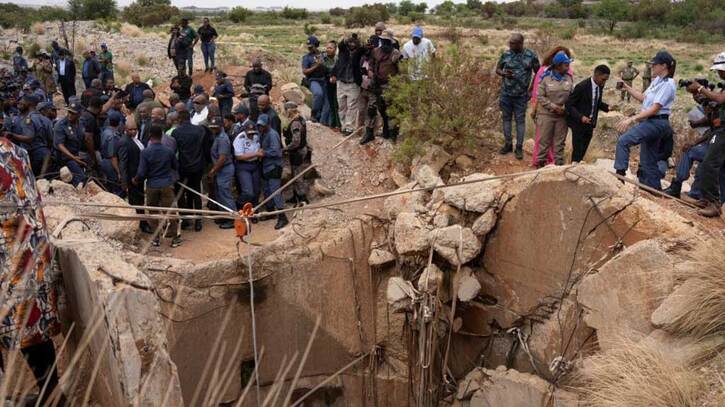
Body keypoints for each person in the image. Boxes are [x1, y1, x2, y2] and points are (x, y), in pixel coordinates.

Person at [0, 135, 66, 407]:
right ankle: (51, 395)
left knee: (29, 328)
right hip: (29, 255)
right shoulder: (14, 149)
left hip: (12, 260)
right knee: (33, 327)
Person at [614, 50, 676, 191]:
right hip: (651, 122)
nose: (652, 66)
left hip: (656, 122)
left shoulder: (668, 83)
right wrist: (627, 87)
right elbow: (643, 98)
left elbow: (655, 108)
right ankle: (654, 190)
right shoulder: (657, 81)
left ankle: (620, 177)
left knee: (624, 141)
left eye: (655, 64)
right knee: (648, 161)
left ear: (664, 66)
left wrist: (632, 119)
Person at [683, 52, 725, 217]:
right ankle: (707, 199)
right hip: (719, 129)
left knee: (710, 163)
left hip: (723, 131)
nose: (719, 73)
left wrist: (700, 88)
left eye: (720, 70)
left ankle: (713, 203)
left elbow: (720, 100)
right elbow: (716, 109)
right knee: (713, 165)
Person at [133, 125, 181, 247]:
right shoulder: (168, 151)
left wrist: (136, 179)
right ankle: (175, 237)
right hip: (167, 184)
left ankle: (156, 238)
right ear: (162, 135)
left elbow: (142, 172)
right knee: (170, 211)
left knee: (153, 212)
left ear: (150, 135)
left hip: (152, 185)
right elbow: (176, 166)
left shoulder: (145, 152)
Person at [496, 33, 540, 160]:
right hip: (506, 93)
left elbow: (539, 73)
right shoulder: (506, 54)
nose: (510, 45)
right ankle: (508, 144)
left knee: (520, 121)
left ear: (520, 43)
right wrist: (504, 73)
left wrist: (532, 89)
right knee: (506, 119)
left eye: (513, 43)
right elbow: (498, 69)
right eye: (510, 43)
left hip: (521, 95)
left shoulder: (531, 55)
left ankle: (519, 147)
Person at [530, 46, 573, 167]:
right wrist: (554, 107)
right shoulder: (545, 77)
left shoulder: (569, 78)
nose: (568, 67)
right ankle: (540, 165)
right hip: (546, 115)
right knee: (544, 142)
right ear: (558, 66)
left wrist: (565, 107)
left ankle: (558, 166)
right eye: (566, 65)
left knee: (559, 144)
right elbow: (540, 96)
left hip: (562, 116)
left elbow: (571, 94)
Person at [361, 31, 402, 145]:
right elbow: (371, 64)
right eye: (383, 41)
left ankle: (393, 134)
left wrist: (397, 85)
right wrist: (370, 72)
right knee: (371, 108)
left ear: (391, 42)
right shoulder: (375, 51)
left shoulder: (396, 54)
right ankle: (369, 133)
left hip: (390, 85)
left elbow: (401, 71)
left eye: (387, 41)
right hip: (376, 84)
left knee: (391, 111)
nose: (384, 43)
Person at [565, 65, 611, 163]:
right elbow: (569, 105)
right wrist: (581, 117)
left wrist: (607, 107)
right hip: (578, 124)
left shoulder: (600, 86)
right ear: (597, 75)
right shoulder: (581, 87)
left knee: (583, 150)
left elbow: (596, 102)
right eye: (603, 79)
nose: (604, 82)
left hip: (590, 124)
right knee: (577, 151)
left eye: (606, 80)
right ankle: (573, 170)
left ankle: (579, 168)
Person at [172, 109, 206, 231]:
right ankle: (198, 221)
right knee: (196, 192)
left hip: (183, 166)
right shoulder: (200, 130)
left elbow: (175, 151)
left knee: (181, 193)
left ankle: (185, 220)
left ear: (180, 119)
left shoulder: (176, 132)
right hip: (197, 166)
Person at [117, 117, 151, 233]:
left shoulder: (135, 140)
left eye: (135, 129)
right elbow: (123, 163)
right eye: (130, 129)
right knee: (136, 202)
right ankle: (141, 224)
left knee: (140, 200)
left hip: (139, 177)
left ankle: (141, 222)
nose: (133, 131)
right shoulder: (124, 142)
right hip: (132, 178)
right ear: (126, 129)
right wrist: (125, 182)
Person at [257, 114, 289, 229]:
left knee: (275, 191)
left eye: (262, 125)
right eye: (259, 125)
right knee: (267, 190)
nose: (260, 127)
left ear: (267, 124)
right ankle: (270, 212)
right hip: (266, 166)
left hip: (274, 167)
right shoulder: (263, 133)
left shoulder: (272, 134)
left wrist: (264, 153)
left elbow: (276, 152)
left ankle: (282, 217)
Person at [333, 34, 364, 136]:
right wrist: (346, 38)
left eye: (354, 42)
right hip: (341, 82)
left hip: (353, 84)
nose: (351, 44)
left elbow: (363, 49)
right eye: (350, 42)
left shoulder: (359, 53)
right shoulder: (343, 51)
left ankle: (349, 128)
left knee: (352, 107)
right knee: (341, 106)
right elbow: (341, 44)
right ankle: (343, 126)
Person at [207, 116, 235, 228]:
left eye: (215, 127)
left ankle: (233, 218)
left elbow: (222, 158)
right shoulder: (217, 135)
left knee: (225, 194)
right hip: (220, 170)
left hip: (224, 169)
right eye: (212, 127)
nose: (213, 129)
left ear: (221, 126)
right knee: (220, 194)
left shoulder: (222, 139)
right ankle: (225, 216)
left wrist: (213, 171)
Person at [283, 102, 310, 206]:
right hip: (299, 150)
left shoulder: (295, 123)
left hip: (297, 152)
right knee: (295, 174)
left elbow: (296, 141)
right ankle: (295, 196)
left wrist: (285, 149)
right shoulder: (300, 119)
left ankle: (303, 198)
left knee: (298, 176)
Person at [53, 101, 87, 185]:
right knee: (81, 179)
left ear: (79, 114)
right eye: (69, 112)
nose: (70, 115)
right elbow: (60, 145)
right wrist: (74, 158)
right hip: (64, 157)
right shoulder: (61, 125)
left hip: (76, 154)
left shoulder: (81, 123)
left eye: (73, 113)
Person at [233, 120, 260, 210]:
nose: (251, 135)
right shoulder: (240, 138)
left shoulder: (257, 136)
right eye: (249, 133)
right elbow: (239, 156)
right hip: (243, 166)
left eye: (253, 133)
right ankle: (238, 206)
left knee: (256, 191)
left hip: (255, 165)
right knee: (248, 192)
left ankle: (254, 210)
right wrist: (256, 154)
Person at [302, 35, 327, 123]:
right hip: (313, 80)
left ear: (316, 45)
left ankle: (323, 119)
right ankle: (313, 114)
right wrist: (316, 65)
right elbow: (305, 71)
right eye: (308, 47)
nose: (309, 49)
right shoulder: (307, 57)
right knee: (318, 94)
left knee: (326, 101)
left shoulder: (324, 54)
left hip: (325, 80)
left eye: (311, 47)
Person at [100, 115, 123, 196]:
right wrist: (118, 172)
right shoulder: (113, 136)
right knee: (117, 189)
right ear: (119, 123)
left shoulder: (105, 131)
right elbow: (113, 156)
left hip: (104, 160)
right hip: (111, 164)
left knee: (108, 188)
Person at [322, 41, 341, 128]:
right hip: (327, 83)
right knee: (330, 104)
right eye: (327, 48)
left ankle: (339, 124)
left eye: (330, 48)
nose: (328, 50)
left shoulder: (338, 59)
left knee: (337, 103)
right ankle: (332, 124)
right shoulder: (323, 58)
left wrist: (335, 77)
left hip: (337, 83)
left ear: (335, 49)